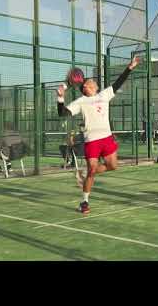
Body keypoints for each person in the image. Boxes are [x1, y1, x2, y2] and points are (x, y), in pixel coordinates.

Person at [57, 56, 141, 214]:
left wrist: (130, 67)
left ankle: (84, 174)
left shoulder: (104, 95)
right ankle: (84, 202)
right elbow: (62, 113)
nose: (94, 82)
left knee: (113, 166)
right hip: (92, 141)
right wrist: (60, 97)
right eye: (91, 82)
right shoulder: (80, 101)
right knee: (92, 170)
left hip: (107, 138)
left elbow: (118, 83)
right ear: (86, 88)